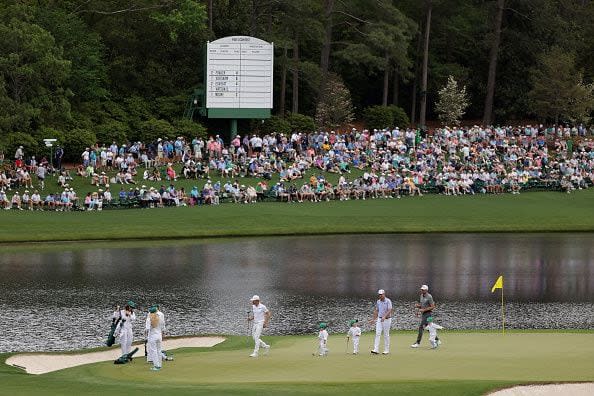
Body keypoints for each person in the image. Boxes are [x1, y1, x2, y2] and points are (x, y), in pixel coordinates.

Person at [370, 289, 392, 355]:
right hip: (379, 319)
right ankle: (376, 349)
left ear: (384, 294)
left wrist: (384, 316)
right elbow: (376, 310)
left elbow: (390, 310)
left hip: (387, 319)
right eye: (379, 294)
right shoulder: (378, 301)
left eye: (381, 294)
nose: (380, 296)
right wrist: (373, 319)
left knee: (386, 334)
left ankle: (386, 350)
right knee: (377, 333)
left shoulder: (388, 301)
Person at [145, 305, 165, 371]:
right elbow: (163, 326)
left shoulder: (149, 319)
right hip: (159, 336)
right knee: (159, 350)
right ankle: (160, 365)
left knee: (154, 351)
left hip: (152, 336)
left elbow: (147, 329)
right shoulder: (160, 317)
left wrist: (145, 336)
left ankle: (156, 366)